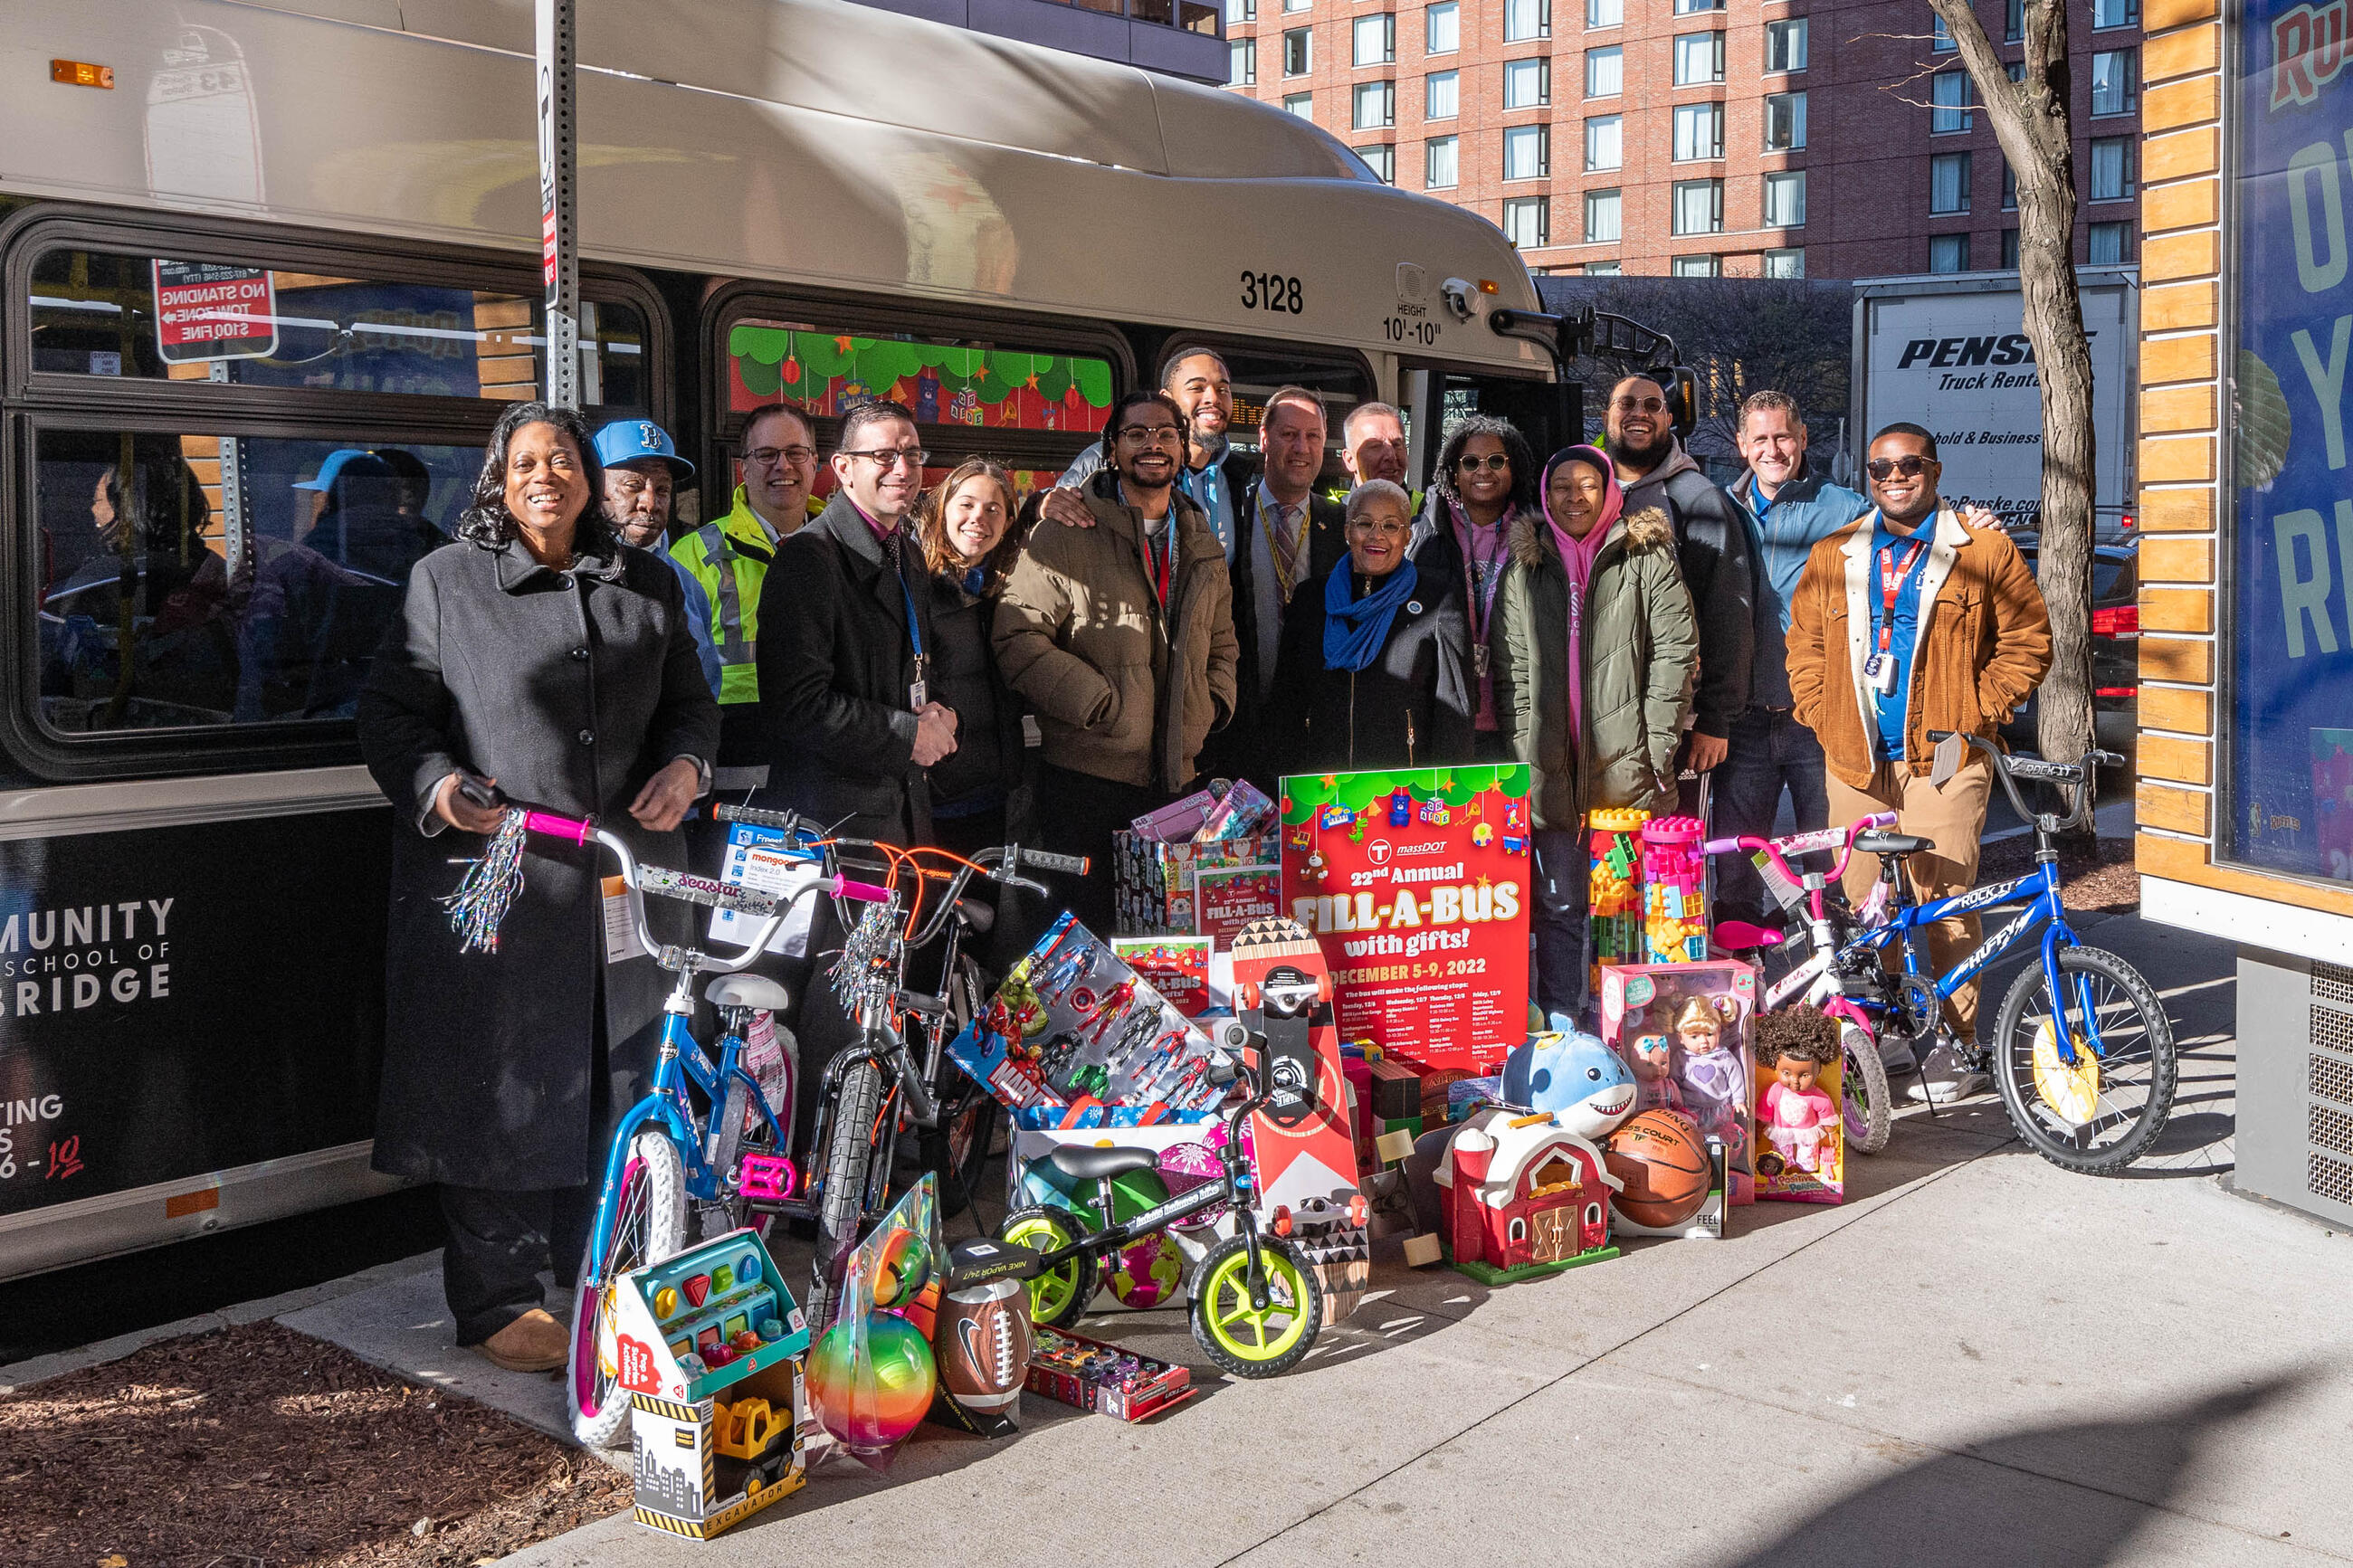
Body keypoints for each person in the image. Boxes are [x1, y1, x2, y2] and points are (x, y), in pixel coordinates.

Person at [356, 400, 718, 1373]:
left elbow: (692, 707)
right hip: (502, 886)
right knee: (502, 1091)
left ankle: (595, 1269)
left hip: (625, 882)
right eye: (524, 462)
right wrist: (436, 784)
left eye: (561, 459)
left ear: (590, 480)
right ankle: (497, 1298)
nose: (544, 476)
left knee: (621, 1080)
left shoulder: (648, 582)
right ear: (498, 480)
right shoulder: (445, 581)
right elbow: (391, 717)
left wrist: (688, 768)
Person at [1785, 423, 2053, 1100]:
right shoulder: (1834, 553)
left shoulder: (1981, 548)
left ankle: (1959, 1047)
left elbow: (2027, 642)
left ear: (1933, 468)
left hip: (1945, 757)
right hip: (1856, 759)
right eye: (1881, 469)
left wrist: (1975, 714)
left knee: (1944, 901)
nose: (1894, 477)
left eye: (1908, 465)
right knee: (1865, 903)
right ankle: (1889, 1033)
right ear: (1868, 477)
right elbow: (1804, 647)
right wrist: (1825, 715)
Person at [994, 389, 1238, 934]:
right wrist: (1100, 705)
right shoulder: (1065, 531)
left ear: (1183, 448)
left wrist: (1212, 705)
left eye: (1166, 434)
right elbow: (1018, 637)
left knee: (1167, 943)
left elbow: (1223, 640)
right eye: (1136, 434)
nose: (1153, 445)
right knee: (1085, 938)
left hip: (1178, 782)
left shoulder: (1200, 538)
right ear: (1111, 448)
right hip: (1086, 781)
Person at [1494, 444, 1698, 1020]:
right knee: (1557, 908)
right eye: (1561, 486)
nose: (1574, 497)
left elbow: (1675, 653)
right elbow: (1512, 673)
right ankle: (1563, 1029)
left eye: (1587, 484)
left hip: (1629, 772)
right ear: (1544, 494)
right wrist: (1524, 756)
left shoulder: (1645, 555)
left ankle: (1626, 1031)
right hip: (1551, 773)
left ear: (1610, 491)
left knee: (1625, 910)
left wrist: (1655, 748)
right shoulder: (1526, 565)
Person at [1710, 391, 1872, 930]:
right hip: (1742, 721)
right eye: (1761, 438)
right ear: (1741, 445)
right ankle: (1745, 987)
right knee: (1739, 866)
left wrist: (1968, 519)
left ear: (1803, 439)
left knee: (1829, 863)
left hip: (1817, 721)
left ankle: (1839, 993)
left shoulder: (1845, 510)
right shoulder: (1719, 508)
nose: (1773, 449)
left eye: (1783, 436)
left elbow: (1913, 536)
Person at [757, 400, 950, 845]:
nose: (903, 469)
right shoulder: (808, 558)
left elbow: (918, 661)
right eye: (883, 456)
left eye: (913, 455)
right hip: (834, 824)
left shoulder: (909, 553)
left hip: (902, 809)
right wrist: (907, 736)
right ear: (843, 469)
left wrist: (942, 710)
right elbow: (798, 706)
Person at [1605, 376, 1757, 795]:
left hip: (1677, 722)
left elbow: (1729, 612)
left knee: (1670, 852)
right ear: (1607, 415)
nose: (1640, 413)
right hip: (1597, 716)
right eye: (1627, 403)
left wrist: (1714, 718)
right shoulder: (1584, 492)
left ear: (1669, 419)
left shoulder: (1697, 499)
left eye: (1653, 406)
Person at [1265, 479, 1472, 775]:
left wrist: (1445, 793)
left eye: (1390, 526)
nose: (1377, 536)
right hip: (1320, 787)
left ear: (1407, 536)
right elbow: (1286, 706)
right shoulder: (1311, 598)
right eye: (1365, 524)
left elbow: (1454, 715)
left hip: (1403, 793)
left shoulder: (1438, 598)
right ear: (1348, 531)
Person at [916, 458, 1037, 962]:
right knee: (931, 944)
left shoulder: (1007, 588)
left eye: (994, 509)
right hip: (935, 803)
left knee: (983, 946)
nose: (978, 519)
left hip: (992, 797)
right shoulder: (917, 586)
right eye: (966, 504)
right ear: (942, 509)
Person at [673, 402, 819, 790]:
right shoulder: (692, 553)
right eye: (766, 454)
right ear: (744, 467)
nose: (782, 466)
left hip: (826, 759)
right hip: (734, 765)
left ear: (815, 462)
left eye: (795, 453)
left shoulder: (845, 547)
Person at [1220, 385, 1346, 789]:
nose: (1301, 447)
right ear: (1263, 439)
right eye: (1289, 434)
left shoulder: (1344, 526)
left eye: (1313, 436)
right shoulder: (1229, 514)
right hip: (1235, 725)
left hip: (1315, 734)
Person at [1418, 415, 1540, 763]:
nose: (1483, 471)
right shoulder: (1423, 535)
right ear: (1453, 473)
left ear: (1513, 468)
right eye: (1471, 462)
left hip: (1514, 719)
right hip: (1441, 715)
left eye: (1496, 461)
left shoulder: (1540, 537)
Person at [1050, 349, 1244, 560]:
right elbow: (1056, 512)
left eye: (1223, 389)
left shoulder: (1238, 476)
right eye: (1197, 387)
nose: (1213, 398)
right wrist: (1039, 504)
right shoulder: (1105, 459)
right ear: (1167, 401)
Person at [594, 417, 695, 551]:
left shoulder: (677, 572)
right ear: (594, 487)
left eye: (662, 490)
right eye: (633, 486)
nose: (651, 504)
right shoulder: (563, 568)